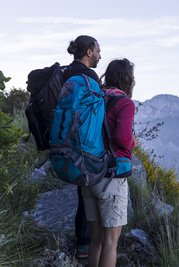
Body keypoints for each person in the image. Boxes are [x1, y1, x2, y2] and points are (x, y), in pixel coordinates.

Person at [82, 58, 135, 267]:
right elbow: (122, 138)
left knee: (95, 240)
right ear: (128, 79)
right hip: (111, 177)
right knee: (111, 242)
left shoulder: (95, 96)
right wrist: (133, 141)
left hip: (88, 173)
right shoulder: (124, 103)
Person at [64, 35, 102, 259]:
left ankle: (84, 242)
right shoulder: (88, 75)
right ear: (88, 52)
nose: (99, 55)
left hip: (63, 139)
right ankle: (86, 244)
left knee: (82, 190)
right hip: (82, 143)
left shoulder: (66, 72)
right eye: (98, 50)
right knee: (86, 191)